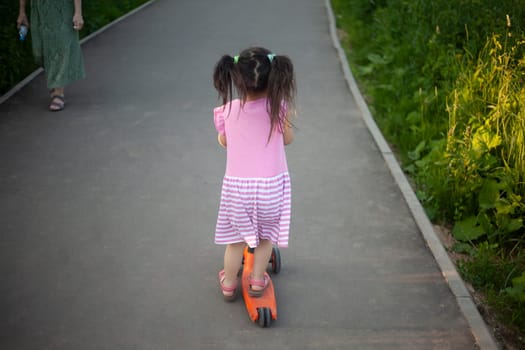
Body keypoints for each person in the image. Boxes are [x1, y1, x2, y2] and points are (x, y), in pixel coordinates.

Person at [212, 47, 296, 301]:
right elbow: (288, 140)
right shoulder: (278, 108)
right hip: (271, 187)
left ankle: (228, 282)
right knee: (265, 238)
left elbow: (224, 141)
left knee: (235, 241)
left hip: (238, 190)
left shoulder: (226, 110)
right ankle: (257, 281)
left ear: (237, 79)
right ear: (274, 78)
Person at [17, 0, 86, 111]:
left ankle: (58, 93)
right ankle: (54, 79)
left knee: (61, 50)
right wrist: (22, 11)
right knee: (38, 53)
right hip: (38, 11)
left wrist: (78, 12)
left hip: (62, 10)